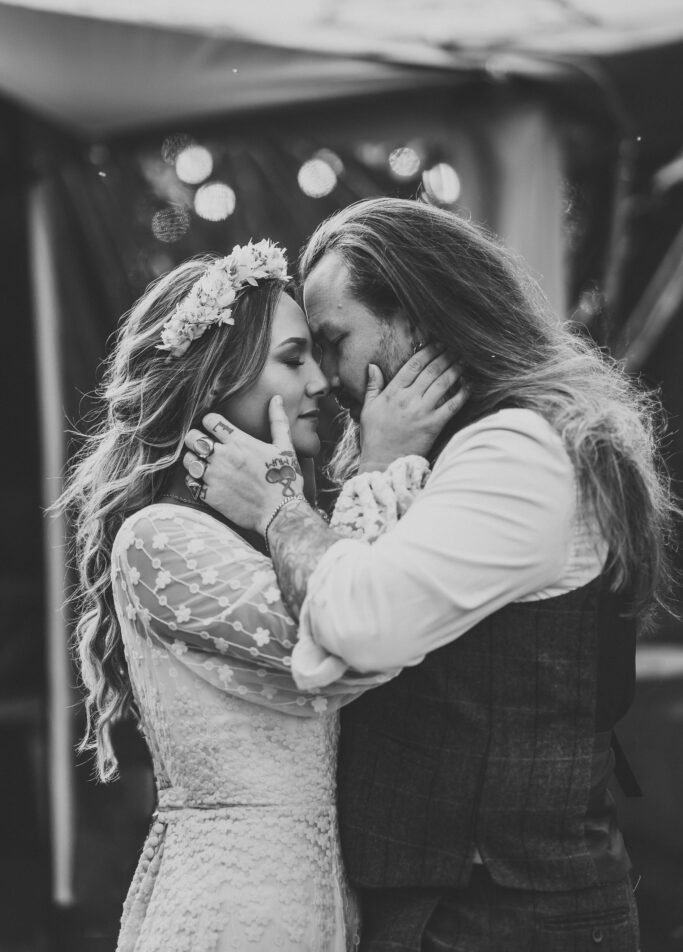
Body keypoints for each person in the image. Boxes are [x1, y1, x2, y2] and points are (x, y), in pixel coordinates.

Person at [185, 198, 680, 952]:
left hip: (502, 918)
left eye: (333, 341)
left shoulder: (516, 450)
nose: (325, 377)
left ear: (417, 315)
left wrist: (275, 510)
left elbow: (361, 622)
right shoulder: (456, 455)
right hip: (457, 907)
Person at [55, 239, 466, 952]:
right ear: (215, 381)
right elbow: (350, 648)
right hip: (235, 910)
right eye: (293, 357)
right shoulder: (158, 538)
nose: (322, 382)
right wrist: (380, 465)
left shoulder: (263, 539)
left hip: (315, 903)